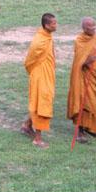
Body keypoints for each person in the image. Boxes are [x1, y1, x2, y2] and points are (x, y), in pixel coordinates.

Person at [66, 17, 96, 141]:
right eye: (91, 27)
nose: (94, 29)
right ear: (84, 28)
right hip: (83, 77)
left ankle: (92, 128)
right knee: (83, 103)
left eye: (95, 27)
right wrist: (86, 62)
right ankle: (80, 130)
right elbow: (78, 61)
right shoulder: (80, 40)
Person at [21, 12, 57, 148]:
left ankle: (26, 125)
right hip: (40, 76)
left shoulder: (47, 36)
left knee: (40, 102)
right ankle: (37, 139)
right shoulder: (39, 40)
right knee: (42, 104)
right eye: (53, 23)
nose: (56, 25)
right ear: (47, 25)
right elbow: (29, 60)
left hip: (46, 74)